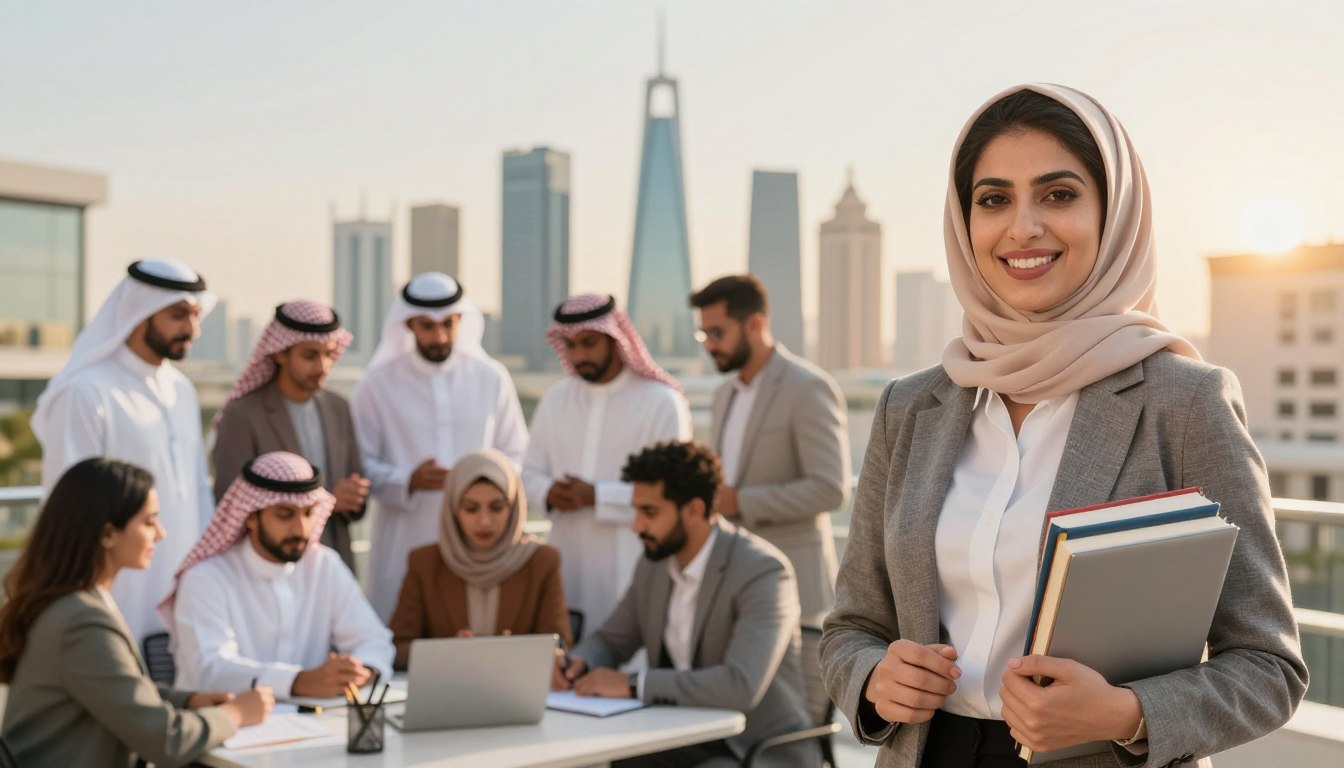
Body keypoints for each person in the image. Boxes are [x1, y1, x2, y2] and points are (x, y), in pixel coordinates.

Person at [819, 84, 1308, 768]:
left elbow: (1268, 668)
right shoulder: (911, 407)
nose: (1022, 228)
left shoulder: (1183, 403)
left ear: (1113, 215)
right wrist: (875, 679)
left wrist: (1125, 713)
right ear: (965, 225)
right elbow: (851, 628)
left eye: (1058, 195)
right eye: (993, 200)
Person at [553, 441, 818, 768]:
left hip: (754, 749)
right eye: (636, 509)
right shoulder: (654, 563)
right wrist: (579, 662)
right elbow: (612, 638)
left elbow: (740, 686)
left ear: (693, 510)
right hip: (678, 733)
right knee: (614, 760)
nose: (636, 526)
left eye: (649, 512)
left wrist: (634, 684)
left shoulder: (763, 571)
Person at [0, 458, 274, 768]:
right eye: (149, 521)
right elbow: (166, 741)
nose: (161, 533)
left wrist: (188, 701)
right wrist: (236, 713)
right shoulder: (81, 621)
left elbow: (110, 687)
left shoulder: (71, 603)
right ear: (107, 534)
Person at [30, 259, 217, 643]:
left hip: (182, 583)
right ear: (140, 313)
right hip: (116, 586)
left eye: (196, 316)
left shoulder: (182, 390)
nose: (192, 329)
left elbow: (198, 489)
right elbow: (73, 506)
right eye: (178, 315)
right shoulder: (86, 391)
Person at [353, 272, 529, 621]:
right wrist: (408, 479)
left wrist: (484, 483)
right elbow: (361, 465)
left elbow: (518, 454)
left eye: (448, 324)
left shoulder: (490, 377)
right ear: (408, 325)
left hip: (481, 538)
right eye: (427, 326)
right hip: (406, 537)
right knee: (404, 637)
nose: (440, 336)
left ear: (461, 320)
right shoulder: (378, 383)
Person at [523, 293, 692, 634]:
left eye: (589, 343)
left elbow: (672, 493)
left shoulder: (661, 402)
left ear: (615, 340)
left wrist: (597, 496)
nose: (579, 355)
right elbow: (527, 474)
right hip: (567, 563)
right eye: (569, 345)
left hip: (632, 563)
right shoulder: (556, 400)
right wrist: (549, 492)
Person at [688, 274, 850, 628]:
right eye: (703, 334)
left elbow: (830, 489)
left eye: (716, 333)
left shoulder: (808, 387)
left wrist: (740, 501)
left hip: (796, 586)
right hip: (732, 581)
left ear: (755, 324)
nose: (709, 345)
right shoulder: (722, 396)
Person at [162, 451, 394, 697]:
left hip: (314, 723)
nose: (301, 528)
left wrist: (362, 670)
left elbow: (374, 640)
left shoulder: (324, 565)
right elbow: (210, 670)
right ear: (251, 516)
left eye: (308, 513)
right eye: (285, 514)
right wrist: (298, 682)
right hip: (229, 725)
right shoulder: (206, 578)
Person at [212, 299, 369, 571]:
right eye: (310, 355)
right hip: (269, 566)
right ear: (280, 354)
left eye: (329, 355)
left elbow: (355, 486)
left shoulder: (338, 408)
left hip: (332, 561)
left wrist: (356, 496)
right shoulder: (243, 415)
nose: (322, 366)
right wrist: (328, 501)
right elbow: (230, 504)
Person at [389, 449, 570, 669]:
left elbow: (559, 644)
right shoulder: (425, 563)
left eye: (496, 507)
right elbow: (396, 648)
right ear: (454, 509)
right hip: (449, 693)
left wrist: (517, 653)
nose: (484, 521)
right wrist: (448, 652)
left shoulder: (541, 561)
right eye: (471, 508)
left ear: (513, 507)